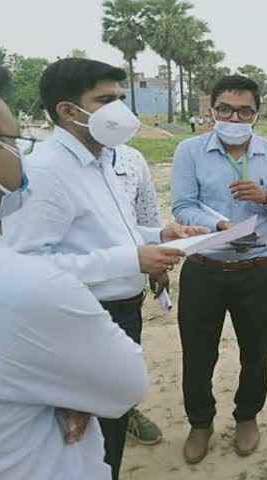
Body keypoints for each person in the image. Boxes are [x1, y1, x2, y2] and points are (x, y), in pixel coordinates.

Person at [0, 50, 149, 479]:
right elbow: (126, 383)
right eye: (14, 142)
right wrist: (73, 391)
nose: (21, 158)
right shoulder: (29, 286)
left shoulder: (119, 161)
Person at [2, 58, 206, 480]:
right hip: (79, 319)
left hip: (120, 311)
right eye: (106, 99)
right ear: (67, 111)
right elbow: (26, 265)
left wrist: (160, 236)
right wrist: (132, 259)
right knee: (87, 440)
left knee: (108, 422)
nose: (119, 109)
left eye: (121, 98)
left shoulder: (106, 158)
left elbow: (114, 228)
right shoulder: (44, 172)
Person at [171, 74, 267, 464]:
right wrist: (219, 226)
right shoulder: (190, 151)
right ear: (212, 111)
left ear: (256, 115)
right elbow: (182, 206)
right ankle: (200, 422)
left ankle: (247, 416)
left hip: (258, 271)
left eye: (244, 110)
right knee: (198, 354)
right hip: (204, 268)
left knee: (256, 352)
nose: (235, 116)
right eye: (226, 109)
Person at [112, 143, 164, 446]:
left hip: (128, 294)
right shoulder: (44, 165)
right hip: (77, 295)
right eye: (105, 101)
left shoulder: (131, 159)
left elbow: (146, 217)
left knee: (125, 360)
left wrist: (157, 262)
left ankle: (125, 412)